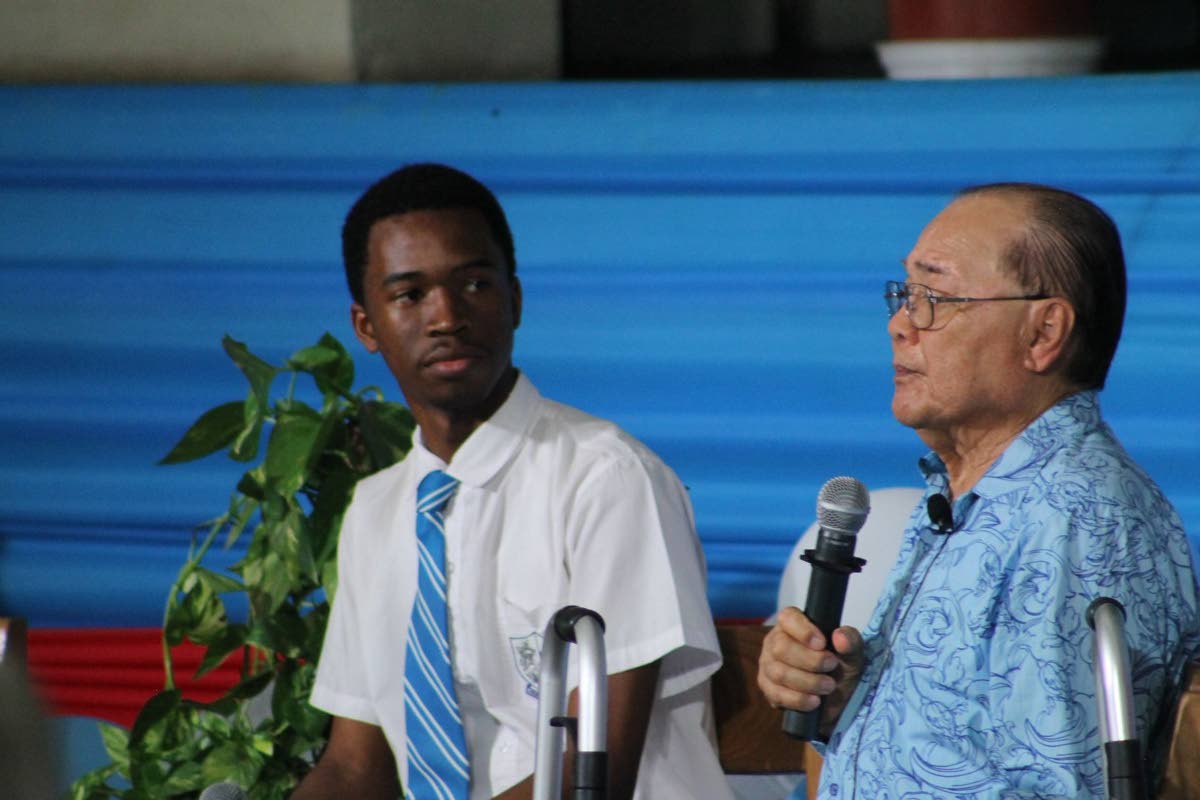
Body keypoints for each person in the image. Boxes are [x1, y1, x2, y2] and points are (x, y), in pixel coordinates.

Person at [292, 163, 731, 800]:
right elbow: (355, 766)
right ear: (366, 327)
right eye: (410, 295)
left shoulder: (604, 477)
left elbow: (592, 772)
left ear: (515, 300)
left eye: (473, 283)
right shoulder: (376, 509)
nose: (447, 317)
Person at [758, 182, 1200, 799]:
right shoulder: (975, 496)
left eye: (934, 297)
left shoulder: (1075, 519)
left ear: (1043, 333)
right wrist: (846, 703)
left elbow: (1059, 789)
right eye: (905, 294)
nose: (899, 325)